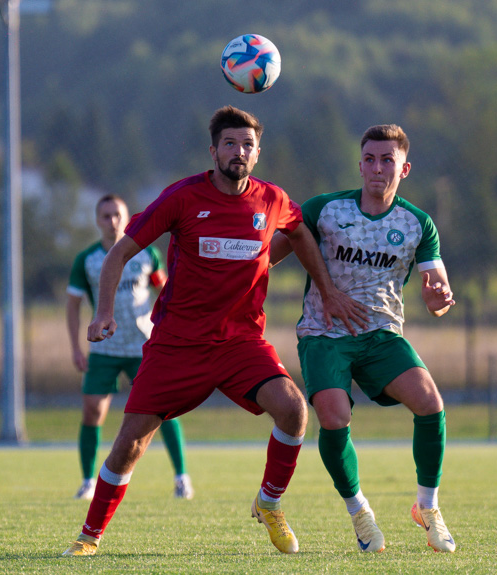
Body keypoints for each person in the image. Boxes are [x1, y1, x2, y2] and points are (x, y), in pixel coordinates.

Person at [62, 105, 364, 557]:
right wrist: (103, 312)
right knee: (130, 443)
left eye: (247, 145)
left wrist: (329, 291)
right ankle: (89, 537)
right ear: (214, 151)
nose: (238, 151)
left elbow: (300, 234)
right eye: (229, 144)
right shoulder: (182, 198)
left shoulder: (273, 200)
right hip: (177, 344)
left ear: (258, 153)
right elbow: (118, 254)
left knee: (294, 410)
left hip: (241, 342)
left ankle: (270, 503)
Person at [270, 123, 457, 553]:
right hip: (324, 334)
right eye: (370, 159)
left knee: (430, 402)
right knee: (334, 418)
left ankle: (427, 507)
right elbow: (269, 257)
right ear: (359, 165)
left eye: (387, 160)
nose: (377, 168)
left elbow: (437, 295)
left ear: (404, 168)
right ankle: (360, 513)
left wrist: (440, 297)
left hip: (381, 335)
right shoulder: (324, 210)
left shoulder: (417, 224)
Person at [66, 195, 193, 502]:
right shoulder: (87, 260)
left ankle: (181, 477)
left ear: (127, 217)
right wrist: (75, 348)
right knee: (93, 410)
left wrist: (173, 333)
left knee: (164, 411)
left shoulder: (146, 253)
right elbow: (72, 305)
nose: (112, 221)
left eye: (117, 215)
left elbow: (166, 292)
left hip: (144, 347)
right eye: (106, 216)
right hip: (105, 349)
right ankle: (87, 481)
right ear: (98, 221)